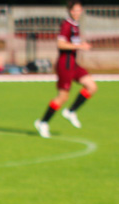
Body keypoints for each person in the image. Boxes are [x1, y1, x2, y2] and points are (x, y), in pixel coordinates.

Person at [34, 1, 97, 138]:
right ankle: (43, 122)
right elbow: (61, 44)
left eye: (79, 10)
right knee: (63, 97)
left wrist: (81, 44)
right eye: (74, 10)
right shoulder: (67, 25)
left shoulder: (76, 25)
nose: (77, 13)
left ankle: (71, 111)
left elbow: (72, 43)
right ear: (69, 11)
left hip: (74, 64)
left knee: (92, 86)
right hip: (65, 65)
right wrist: (80, 47)